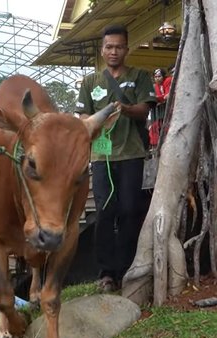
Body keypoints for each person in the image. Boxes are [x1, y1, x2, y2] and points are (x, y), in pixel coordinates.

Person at [75, 25, 156, 292]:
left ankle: (127, 269)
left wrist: (125, 109)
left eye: (119, 47)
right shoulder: (90, 82)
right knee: (105, 213)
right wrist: (98, 120)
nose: (113, 51)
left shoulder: (140, 76)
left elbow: (145, 110)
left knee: (130, 211)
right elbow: (83, 118)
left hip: (131, 155)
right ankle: (106, 273)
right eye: (109, 47)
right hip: (101, 157)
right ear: (102, 50)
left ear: (126, 49)